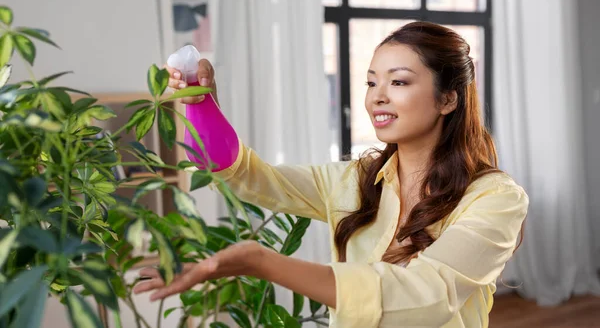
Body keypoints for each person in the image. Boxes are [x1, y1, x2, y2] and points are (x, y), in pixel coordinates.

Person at [134, 21, 529, 328]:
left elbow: (429, 294)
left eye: (399, 81)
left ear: (448, 98)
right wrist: (200, 102)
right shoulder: (355, 180)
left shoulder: (495, 198)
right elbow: (247, 176)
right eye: (371, 82)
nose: (377, 96)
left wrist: (263, 262)